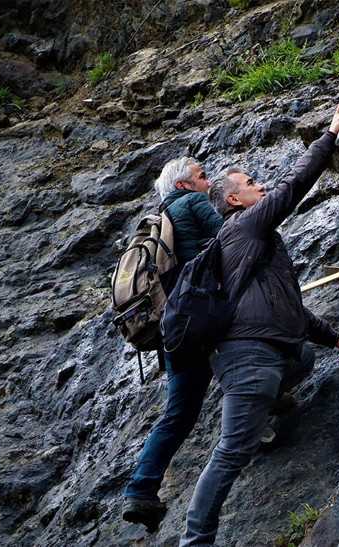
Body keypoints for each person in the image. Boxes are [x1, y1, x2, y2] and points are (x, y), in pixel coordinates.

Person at [179, 99, 339, 546]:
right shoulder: (244, 226)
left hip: (265, 352)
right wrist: (330, 135)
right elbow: (293, 186)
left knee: (303, 356)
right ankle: (195, 542)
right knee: (232, 453)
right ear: (234, 199)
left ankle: (268, 405)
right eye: (252, 183)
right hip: (248, 359)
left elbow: (287, 311)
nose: (262, 186)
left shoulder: (253, 243)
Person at [122, 157, 224, 532]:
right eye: (202, 176)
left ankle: (141, 491)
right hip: (203, 316)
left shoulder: (160, 222)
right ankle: (272, 407)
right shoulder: (193, 202)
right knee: (251, 352)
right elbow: (231, 235)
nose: (209, 182)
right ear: (184, 185)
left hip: (173, 328)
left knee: (178, 414)